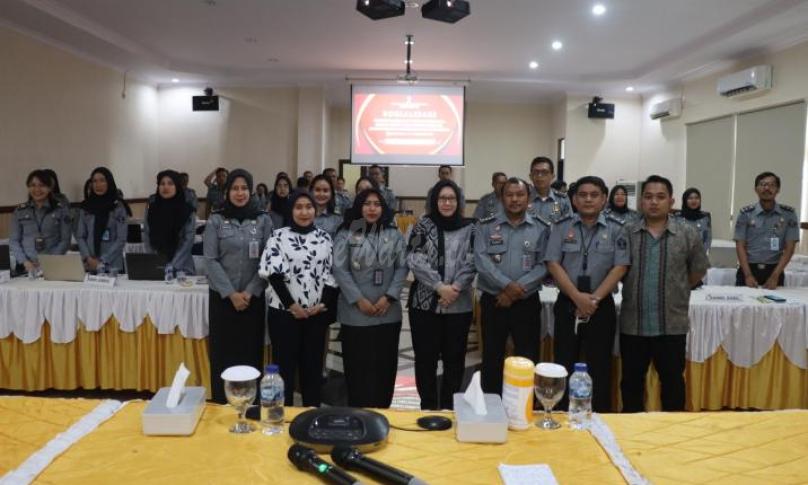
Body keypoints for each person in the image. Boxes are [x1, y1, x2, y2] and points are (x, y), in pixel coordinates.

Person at [620, 175, 709, 412]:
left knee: (673, 384)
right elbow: (618, 269)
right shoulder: (627, 231)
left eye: (660, 197)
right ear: (641, 201)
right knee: (631, 383)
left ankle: (672, 429)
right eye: (648, 197)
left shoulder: (687, 232)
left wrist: (676, 288)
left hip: (671, 324)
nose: (654, 202)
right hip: (634, 323)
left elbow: (698, 269)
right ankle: (631, 428)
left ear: (671, 201)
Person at [545, 176, 629, 413]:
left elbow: (620, 266)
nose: (588, 199)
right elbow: (553, 263)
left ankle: (600, 415)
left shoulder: (617, 228)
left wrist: (593, 300)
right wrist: (577, 297)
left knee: (600, 366)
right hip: (568, 304)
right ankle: (561, 413)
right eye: (583, 195)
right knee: (563, 363)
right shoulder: (561, 227)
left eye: (594, 195)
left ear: (604, 199)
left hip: (600, 306)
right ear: (574, 199)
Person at [259, 190, 338, 407]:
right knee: (284, 368)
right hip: (284, 315)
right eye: (298, 207)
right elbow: (274, 275)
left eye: (309, 207)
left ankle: (311, 415)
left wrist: (322, 304)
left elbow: (331, 275)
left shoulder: (324, 238)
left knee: (312, 369)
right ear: (291, 210)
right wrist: (293, 306)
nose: (304, 212)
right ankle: (281, 416)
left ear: (315, 210)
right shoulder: (278, 237)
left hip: (315, 315)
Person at [332, 188, 408, 408]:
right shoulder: (346, 233)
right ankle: (358, 413)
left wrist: (389, 297)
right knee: (357, 367)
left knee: (385, 366)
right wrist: (359, 300)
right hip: (355, 313)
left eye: (377, 204)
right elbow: (340, 269)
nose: (372, 208)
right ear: (359, 207)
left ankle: (383, 411)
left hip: (387, 312)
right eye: (367, 204)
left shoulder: (393, 233)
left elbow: (402, 267)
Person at [474, 177, 551, 394]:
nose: (515, 199)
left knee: (527, 357)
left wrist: (516, 291)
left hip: (526, 302)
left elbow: (545, 264)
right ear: (501, 198)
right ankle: (492, 403)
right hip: (494, 301)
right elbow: (481, 260)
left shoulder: (542, 227)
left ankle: (524, 403)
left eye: (520, 194)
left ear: (529, 198)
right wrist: (507, 285)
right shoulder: (485, 226)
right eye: (509, 195)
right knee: (492, 357)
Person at [204, 169, 274, 404]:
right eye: (235, 188)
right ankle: (222, 406)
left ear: (251, 191)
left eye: (244, 188)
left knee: (249, 353)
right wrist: (231, 294)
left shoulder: (263, 220)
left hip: (252, 300)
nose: (240, 193)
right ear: (227, 192)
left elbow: (267, 260)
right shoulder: (216, 220)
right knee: (223, 354)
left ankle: (249, 405)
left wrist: (249, 292)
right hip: (222, 300)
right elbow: (210, 260)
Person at [408, 180, 476, 410]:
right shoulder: (421, 226)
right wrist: (439, 287)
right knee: (425, 360)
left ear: (459, 202)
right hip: (424, 306)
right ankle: (427, 406)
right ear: (434, 201)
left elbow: (473, 260)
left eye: (452, 198)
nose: (447, 203)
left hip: (459, 306)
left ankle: (449, 407)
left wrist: (455, 288)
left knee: (455, 360)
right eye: (442, 198)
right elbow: (414, 258)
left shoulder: (471, 228)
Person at [734, 172, 799, 289]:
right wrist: (748, 275)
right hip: (748, 269)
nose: (767, 188)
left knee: (776, 301)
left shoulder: (789, 214)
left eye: (772, 185)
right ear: (756, 189)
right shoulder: (746, 213)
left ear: (778, 189)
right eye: (763, 184)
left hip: (775, 270)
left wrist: (775, 276)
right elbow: (740, 245)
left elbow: (789, 248)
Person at [9, 170, 72, 274]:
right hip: (25, 268)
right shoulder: (19, 211)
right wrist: (25, 262)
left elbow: (65, 240)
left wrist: (48, 262)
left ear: (49, 188)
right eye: (33, 185)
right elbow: (14, 241)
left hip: (53, 266)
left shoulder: (61, 210)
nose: (37, 189)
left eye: (42, 185)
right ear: (28, 187)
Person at [143, 170, 196, 276]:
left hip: (182, 268)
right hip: (157, 265)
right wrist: (156, 260)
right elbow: (146, 235)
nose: (165, 187)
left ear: (177, 186)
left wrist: (173, 265)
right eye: (162, 184)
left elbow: (188, 240)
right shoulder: (151, 209)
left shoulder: (187, 210)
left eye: (170, 183)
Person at [76, 167, 128, 274]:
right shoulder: (85, 206)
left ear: (109, 182)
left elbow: (121, 239)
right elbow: (80, 236)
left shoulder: (118, 207)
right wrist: (88, 258)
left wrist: (103, 260)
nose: (98, 185)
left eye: (102, 180)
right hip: (89, 264)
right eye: (94, 181)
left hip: (112, 265)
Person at [528, 156, 572, 223]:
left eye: (544, 172)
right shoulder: (524, 198)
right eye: (536, 172)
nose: (540, 176)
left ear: (552, 176)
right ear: (530, 176)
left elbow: (568, 224)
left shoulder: (561, 199)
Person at [675, 188, 712, 253]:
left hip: (700, 255)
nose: (694, 201)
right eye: (690, 198)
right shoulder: (677, 217)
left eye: (696, 198)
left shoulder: (705, 217)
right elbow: (674, 240)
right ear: (685, 200)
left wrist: (701, 254)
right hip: (680, 255)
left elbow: (708, 239)